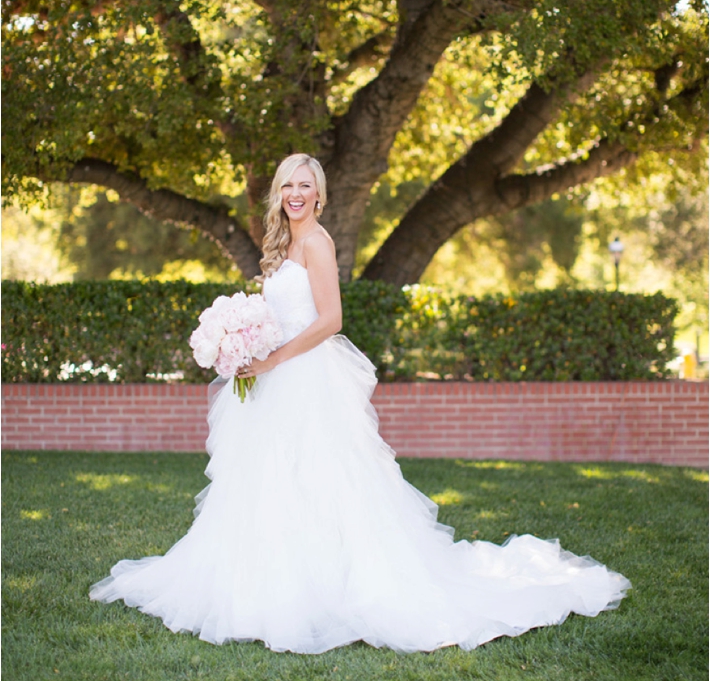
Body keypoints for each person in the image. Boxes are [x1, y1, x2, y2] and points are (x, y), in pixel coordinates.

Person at [90, 153, 630, 653]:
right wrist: (244, 341)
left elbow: (331, 321)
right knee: (268, 478)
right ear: (278, 194)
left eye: (306, 186)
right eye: (288, 186)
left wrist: (273, 358)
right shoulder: (281, 247)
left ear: (320, 196)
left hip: (303, 380)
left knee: (320, 477)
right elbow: (282, 315)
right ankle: (261, 578)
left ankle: (326, 586)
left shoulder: (318, 243)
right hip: (274, 377)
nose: (296, 194)